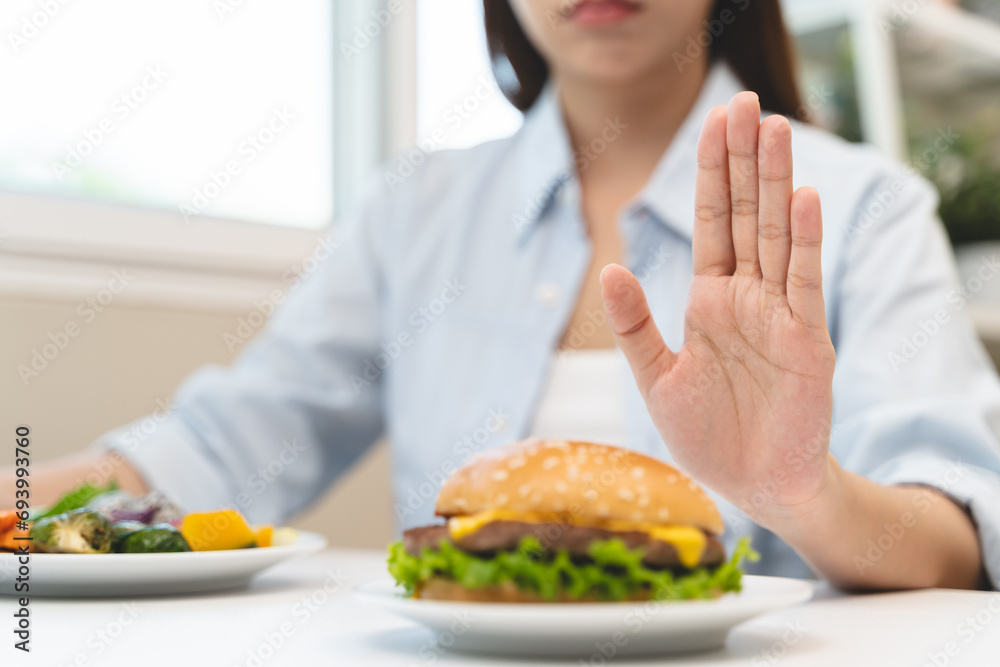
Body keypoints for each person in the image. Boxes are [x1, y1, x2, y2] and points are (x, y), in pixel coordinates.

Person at [5, 0, 1000, 591]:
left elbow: (957, 544)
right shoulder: (416, 208)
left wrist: (801, 493)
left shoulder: (866, 206)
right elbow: (226, 445)